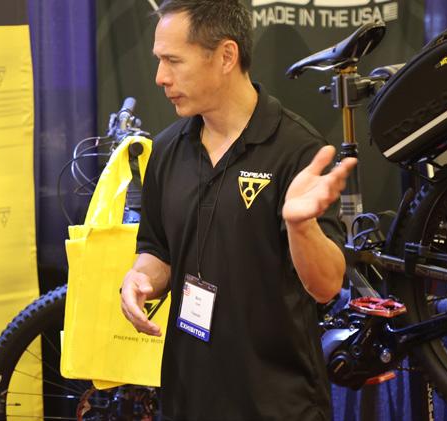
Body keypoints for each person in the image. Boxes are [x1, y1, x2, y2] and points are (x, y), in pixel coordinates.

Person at [119, 1, 357, 419]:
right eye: (159, 60)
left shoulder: (297, 149)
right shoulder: (168, 149)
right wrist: (140, 279)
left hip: (278, 403)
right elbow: (157, 250)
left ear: (226, 56)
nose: (160, 77)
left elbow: (326, 286)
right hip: (186, 399)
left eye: (173, 60)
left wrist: (301, 226)